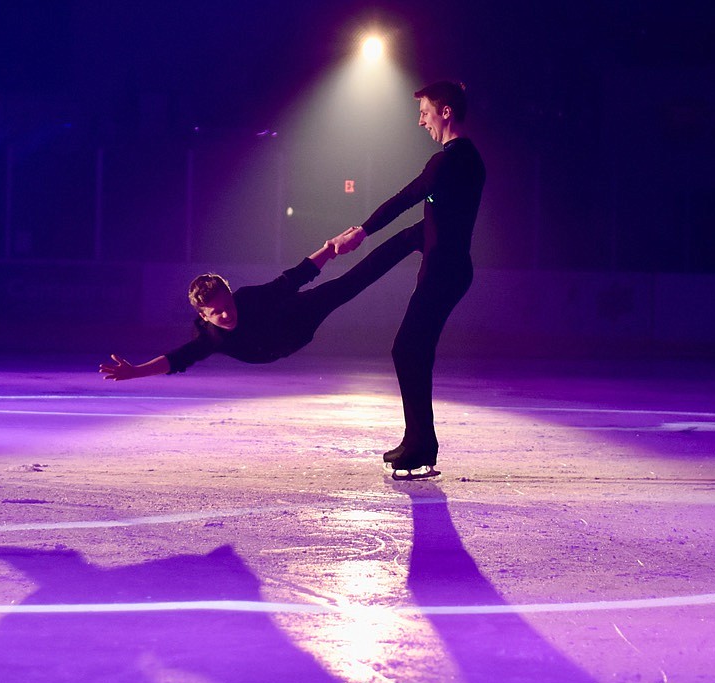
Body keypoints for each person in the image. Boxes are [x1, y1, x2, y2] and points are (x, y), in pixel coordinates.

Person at [329, 80, 485, 475]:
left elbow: (407, 198)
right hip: (446, 266)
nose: (420, 122)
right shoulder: (464, 160)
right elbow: (431, 221)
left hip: (444, 270)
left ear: (445, 111)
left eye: (424, 112)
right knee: (414, 351)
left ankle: (420, 442)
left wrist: (362, 230)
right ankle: (420, 441)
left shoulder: (450, 161)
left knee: (407, 349)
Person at [100, 226, 423, 381]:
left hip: (297, 318)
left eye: (228, 304)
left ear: (231, 293)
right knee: (345, 286)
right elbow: (176, 359)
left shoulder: (250, 299)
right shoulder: (211, 338)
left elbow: (295, 278)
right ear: (203, 315)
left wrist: (329, 247)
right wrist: (135, 372)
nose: (227, 314)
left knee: (348, 285)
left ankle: (407, 240)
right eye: (217, 312)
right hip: (271, 349)